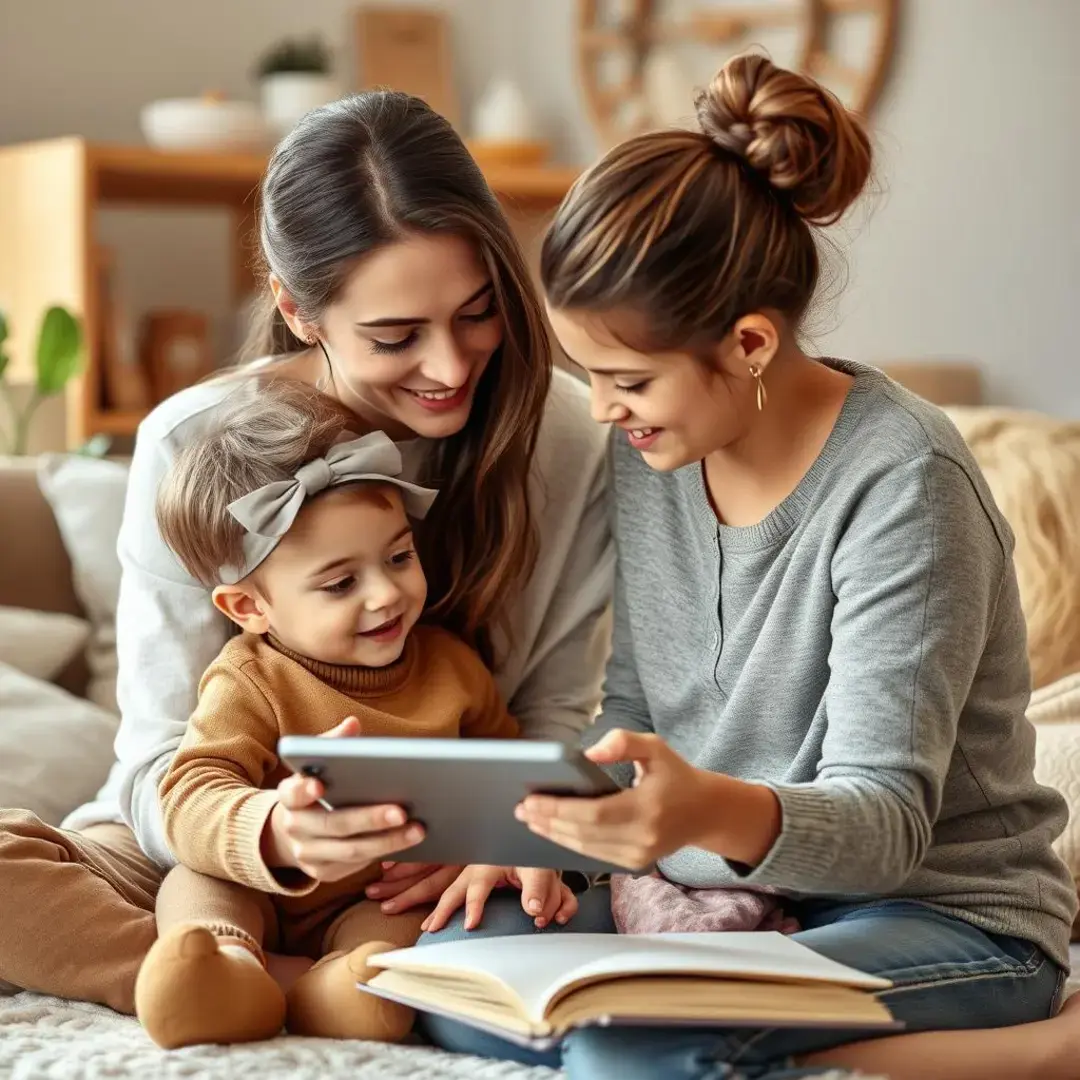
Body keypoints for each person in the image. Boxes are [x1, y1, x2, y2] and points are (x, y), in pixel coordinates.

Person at [427, 53, 1080, 1080]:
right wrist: (551, 829)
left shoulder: (905, 480)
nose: (602, 409)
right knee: (457, 971)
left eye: (628, 379)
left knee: (622, 1055)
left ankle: (1039, 1052)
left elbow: (886, 829)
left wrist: (698, 810)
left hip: (934, 914)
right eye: (590, 375)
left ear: (748, 342)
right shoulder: (656, 453)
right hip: (723, 900)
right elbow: (638, 700)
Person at [0, 90, 615, 1015]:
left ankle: (285, 979)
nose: (450, 369)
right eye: (395, 336)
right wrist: (267, 834)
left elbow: (554, 718)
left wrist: (500, 833)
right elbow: (157, 762)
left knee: (530, 927)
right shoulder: (191, 442)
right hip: (212, 843)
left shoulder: (568, 438)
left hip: (416, 874)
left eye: (479, 313)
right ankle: (248, 984)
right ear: (297, 308)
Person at [132, 381, 577, 1048]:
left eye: (399, 556)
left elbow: (514, 778)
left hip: (377, 898)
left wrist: (497, 844)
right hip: (256, 886)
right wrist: (274, 828)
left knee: (405, 931)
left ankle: (337, 991)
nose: (387, 594)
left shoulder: (455, 669)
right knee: (195, 884)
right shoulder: (250, 679)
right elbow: (189, 793)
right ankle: (224, 970)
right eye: (341, 583)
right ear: (249, 609)